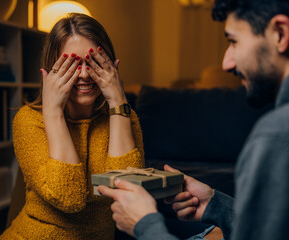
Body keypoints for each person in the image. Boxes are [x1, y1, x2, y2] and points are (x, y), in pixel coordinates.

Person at [98, 0, 289, 239]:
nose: (226, 63)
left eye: (234, 41)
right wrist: (216, 205)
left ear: (279, 33)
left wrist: (144, 224)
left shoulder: (275, 135)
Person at [0, 13, 144, 239]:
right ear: (51, 71)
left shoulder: (125, 116)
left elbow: (127, 194)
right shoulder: (28, 120)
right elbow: (69, 198)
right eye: (72, 65)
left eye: (94, 63)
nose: (85, 74)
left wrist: (118, 102)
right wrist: (53, 111)